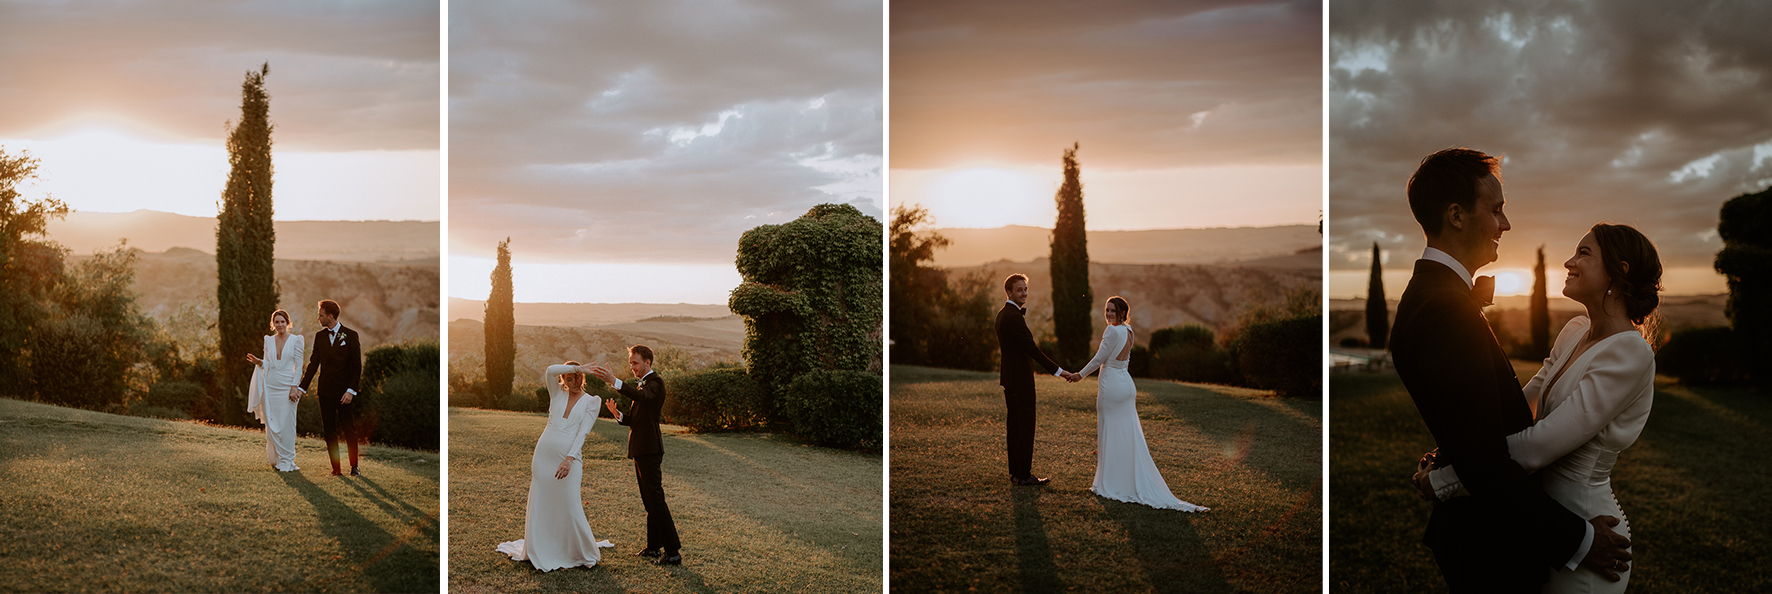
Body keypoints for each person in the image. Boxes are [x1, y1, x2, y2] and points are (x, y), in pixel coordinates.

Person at [1387, 147, 1632, 592]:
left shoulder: (1441, 297)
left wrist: (1444, 463)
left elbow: (1475, 425)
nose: (1506, 224)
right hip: (1491, 543)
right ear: (1457, 215)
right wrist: (1578, 538)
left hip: (1491, 530)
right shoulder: (1441, 308)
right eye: (1496, 209)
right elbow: (1486, 464)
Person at [1415, 224, 1661, 593]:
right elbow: (1515, 412)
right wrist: (1450, 453)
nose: (1569, 262)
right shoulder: (1575, 331)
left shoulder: (1630, 352)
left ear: (1619, 270)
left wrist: (1446, 480)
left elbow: (1539, 445)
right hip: (1535, 528)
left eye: (1584, 253)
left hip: (1586, 536)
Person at [1068, 296, 1208, 512]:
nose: (1109, 314)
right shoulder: (1129, 331)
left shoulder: (1112, 331)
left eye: (1113, 311)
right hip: (1127, 385)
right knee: (1128, 435)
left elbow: (1098, 359)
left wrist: (1080, 375)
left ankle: (1110, 483)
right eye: (1107, 310)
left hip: (1112, 386)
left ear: (1122, 312)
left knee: (1110, 432)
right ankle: (1121, 478)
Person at [497, 361, 615, 571]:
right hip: (543, 457)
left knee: (570, 504)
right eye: (567, 378)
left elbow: (583, 432)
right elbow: (549, 370)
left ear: (581, 379)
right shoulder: (557, 392)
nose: (570, 382)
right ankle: (543, 546)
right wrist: (578, 368)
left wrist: (570, 458)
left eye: (574, 378)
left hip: (569, 457)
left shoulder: (592, 401)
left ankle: (575, 549)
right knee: (542, 502)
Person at [592, 345, 682, 566]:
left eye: (635, 363)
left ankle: (673, 552)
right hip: (642, 449)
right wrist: (619, 415)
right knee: (649, 501)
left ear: (648, 363)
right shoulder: (643, 387)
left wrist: (614, 381)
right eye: (630, 362)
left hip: (650, 450)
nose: (631, 367)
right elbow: (635, 420)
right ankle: (653, 548)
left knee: (657, 501)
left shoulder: (655, 383)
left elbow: (642, 396)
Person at [996, 273, 1075, 486]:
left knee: (1014, 425)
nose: (1024, 293)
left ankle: (1015, 472)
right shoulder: (1013, 317)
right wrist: (1059, 371)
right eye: (1019, 290)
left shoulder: (1002, 315)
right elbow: (1032, 349)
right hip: (1021, 381)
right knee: (1025, 425)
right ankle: (1023, 475)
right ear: (1009, 292)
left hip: (1009, 379)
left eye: (1025, 289)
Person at [297, 299, 364, 477]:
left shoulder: (350, 335)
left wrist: (351, 390)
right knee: (329, 431)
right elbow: (313, 365)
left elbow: (357, 366)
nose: (318, 318)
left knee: (349, 429)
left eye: (321, 315)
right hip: (325, 391)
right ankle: (336, 469)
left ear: (330, 316)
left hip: (344, 393)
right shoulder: (319, 337)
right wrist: (301, 388)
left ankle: (354, 467)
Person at [246, 309, 303, 472]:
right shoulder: (268, 341)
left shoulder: (296, 340)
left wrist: (294, 387)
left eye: (282, 322)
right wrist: (259, 362)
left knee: (287, 424)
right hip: (270, 387)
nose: (280, 325)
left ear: (288, 323)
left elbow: (299, 366)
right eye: (277, 322)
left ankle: (287, 459)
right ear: (273, 324)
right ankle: (278, 458)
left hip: (288, 387)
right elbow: (269, 364)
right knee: (272, 423)